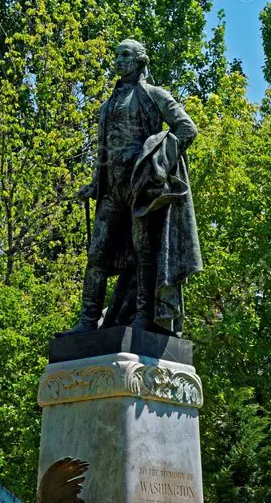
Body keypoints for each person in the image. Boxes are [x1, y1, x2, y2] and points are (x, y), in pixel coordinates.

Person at [73, 39, 202, 336]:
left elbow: (187, 129)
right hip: (111, 190)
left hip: (140, 187)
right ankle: (87, 321)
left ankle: (144, 317)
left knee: (144, 253)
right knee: (97, 255)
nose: (118, 60)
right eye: (116, 55)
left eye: (125, 55)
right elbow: (105, 150)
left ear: (141, 60)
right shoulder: (108, 104)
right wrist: (95, 184)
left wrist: (158, 162)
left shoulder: (154, 95)